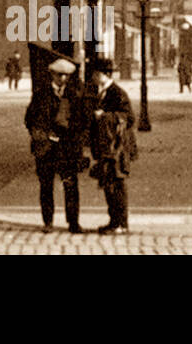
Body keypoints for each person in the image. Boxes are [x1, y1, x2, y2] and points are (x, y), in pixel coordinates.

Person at [24, 58, 89, 233]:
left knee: (70, 186)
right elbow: (29, 119)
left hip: (67, 149)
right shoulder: (41, 94)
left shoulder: (75, 95)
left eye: (66, 75)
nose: (62, 79)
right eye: (59, 75)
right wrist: (40, 134)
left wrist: (75, 138)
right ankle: (48, 222)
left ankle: (73, 222)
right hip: (46, 148)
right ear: (52, 74)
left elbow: (83, 121)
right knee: (46, 186)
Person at [87, 57, 136, 234]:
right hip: (107, 148)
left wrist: (105, 116)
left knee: (117, 185)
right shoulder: (100, 91)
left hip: (118, 148)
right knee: (108, 184)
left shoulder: (117, 93)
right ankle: (114, 221)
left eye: (95, 73)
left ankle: (121, 224)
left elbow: (129, 118)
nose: (92, 76)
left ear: (103, 75)